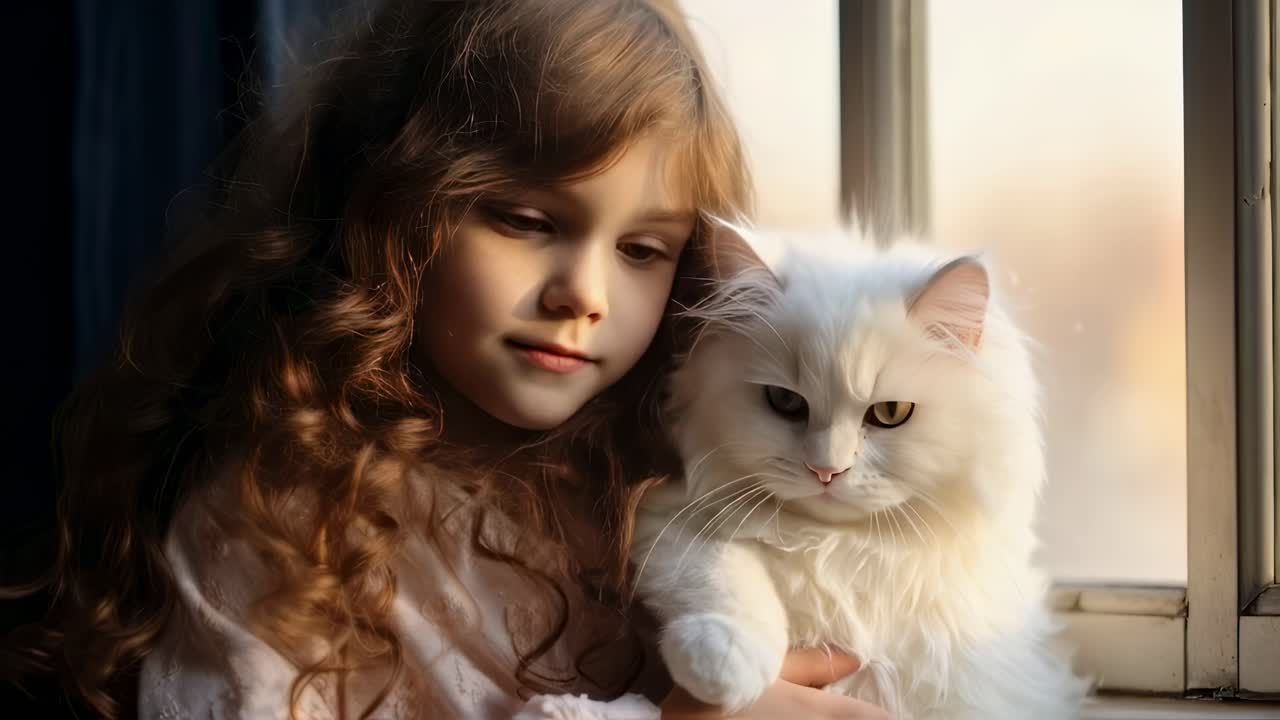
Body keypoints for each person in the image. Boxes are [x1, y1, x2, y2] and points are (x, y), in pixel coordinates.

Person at [4, 2, 888, 718]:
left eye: (643, 250)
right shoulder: (279, 526)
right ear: (395, 207)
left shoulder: (665, 482)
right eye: (528, 222)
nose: (584, 295)